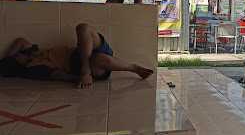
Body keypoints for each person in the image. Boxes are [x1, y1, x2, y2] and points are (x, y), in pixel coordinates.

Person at [0, 23, 153, 88]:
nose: (18, 56)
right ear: (18, 64)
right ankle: (134, 68)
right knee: (101, 59)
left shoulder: (31, 51)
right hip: (81, 66)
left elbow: (20, 41)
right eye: (16, 59)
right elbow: (58, 75)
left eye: (16, 56)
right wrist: (82, 76)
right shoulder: (33, 68)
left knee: (83, 28)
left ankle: (88, 66)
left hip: (82, 52)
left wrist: (8, 58)